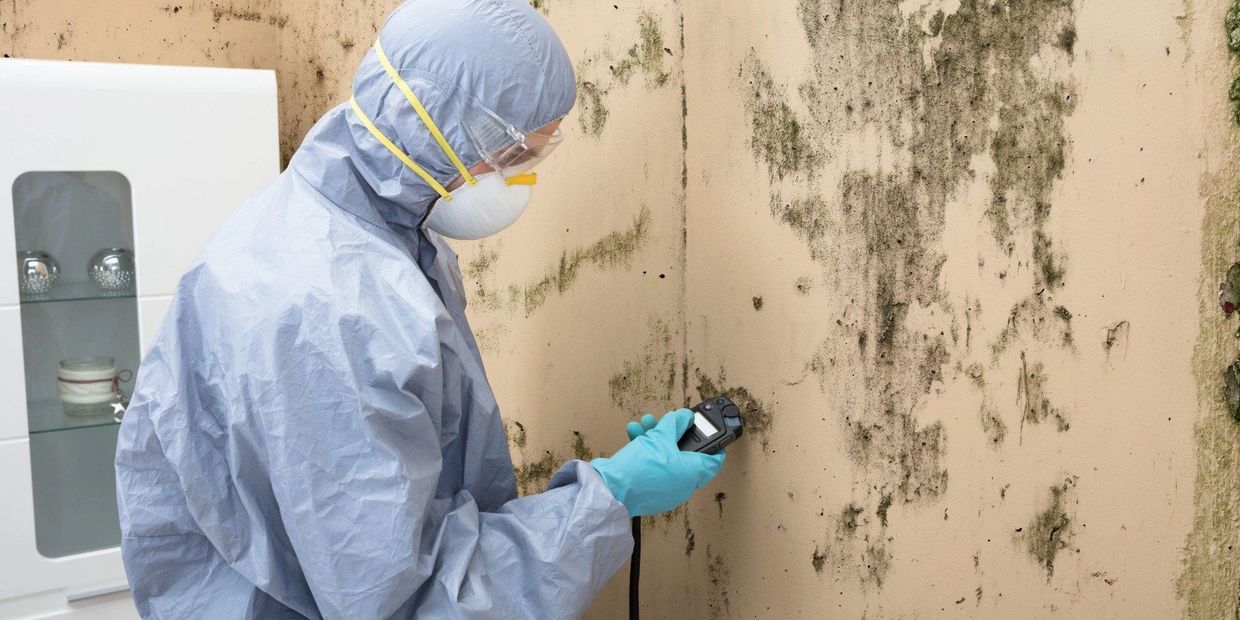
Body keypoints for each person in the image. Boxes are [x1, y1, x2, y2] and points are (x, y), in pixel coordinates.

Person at [113, 0, 726, 618]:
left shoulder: (361, 228)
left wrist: (603, 486)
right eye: (514, 158)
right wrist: (608, 498)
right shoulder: (332, 314)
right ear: (437, 127)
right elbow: (405, 602)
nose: (521, 182)